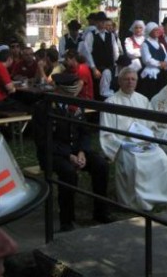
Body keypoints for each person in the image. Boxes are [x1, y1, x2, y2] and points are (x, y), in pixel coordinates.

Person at [39, 63, 111, 231]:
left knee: (101, 165)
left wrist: (81, 152)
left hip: (76, 151)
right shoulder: (44, 108)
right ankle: (67, 219)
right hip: (54, 153)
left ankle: (101, 211)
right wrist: (68, 155)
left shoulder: (76, 106)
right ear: (60, 89)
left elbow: (85, 132)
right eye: (69, 88)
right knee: (68, 173)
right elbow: (44, 140)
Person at [100, 68, 167, 211]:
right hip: (125, 145)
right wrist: (122, 145)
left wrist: (150, 139)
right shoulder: (111, 102)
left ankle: (160, 197)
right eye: (126, 79)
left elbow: (151, 125)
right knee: (135, 163)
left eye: (133, 79)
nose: (130, 82)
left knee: (162, 158)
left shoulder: (143, 100)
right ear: (120, 81)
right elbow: (107, 133)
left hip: (144, 142)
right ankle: (137, 201)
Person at [81, 11, 120, 99]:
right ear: (96, 23)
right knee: (97, 91)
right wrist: (94, 68)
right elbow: (87, 53)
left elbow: (115, 51)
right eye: (100, 21)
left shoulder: (111, 35)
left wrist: (116, 65)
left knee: (110, 89)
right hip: (98, 68)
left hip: (110, 67)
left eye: (104, 21)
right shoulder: (91, 35)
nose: (102, 23)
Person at [139, 22, 167, 99]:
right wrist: (159, 64)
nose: (157, 31)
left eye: (158, 30)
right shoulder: (145, 44)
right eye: (155, 30)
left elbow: (166, 56)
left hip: (163, 74)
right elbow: (147, 59)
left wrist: (166, 63)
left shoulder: (161, 44)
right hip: (151, 75)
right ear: (149, 31)